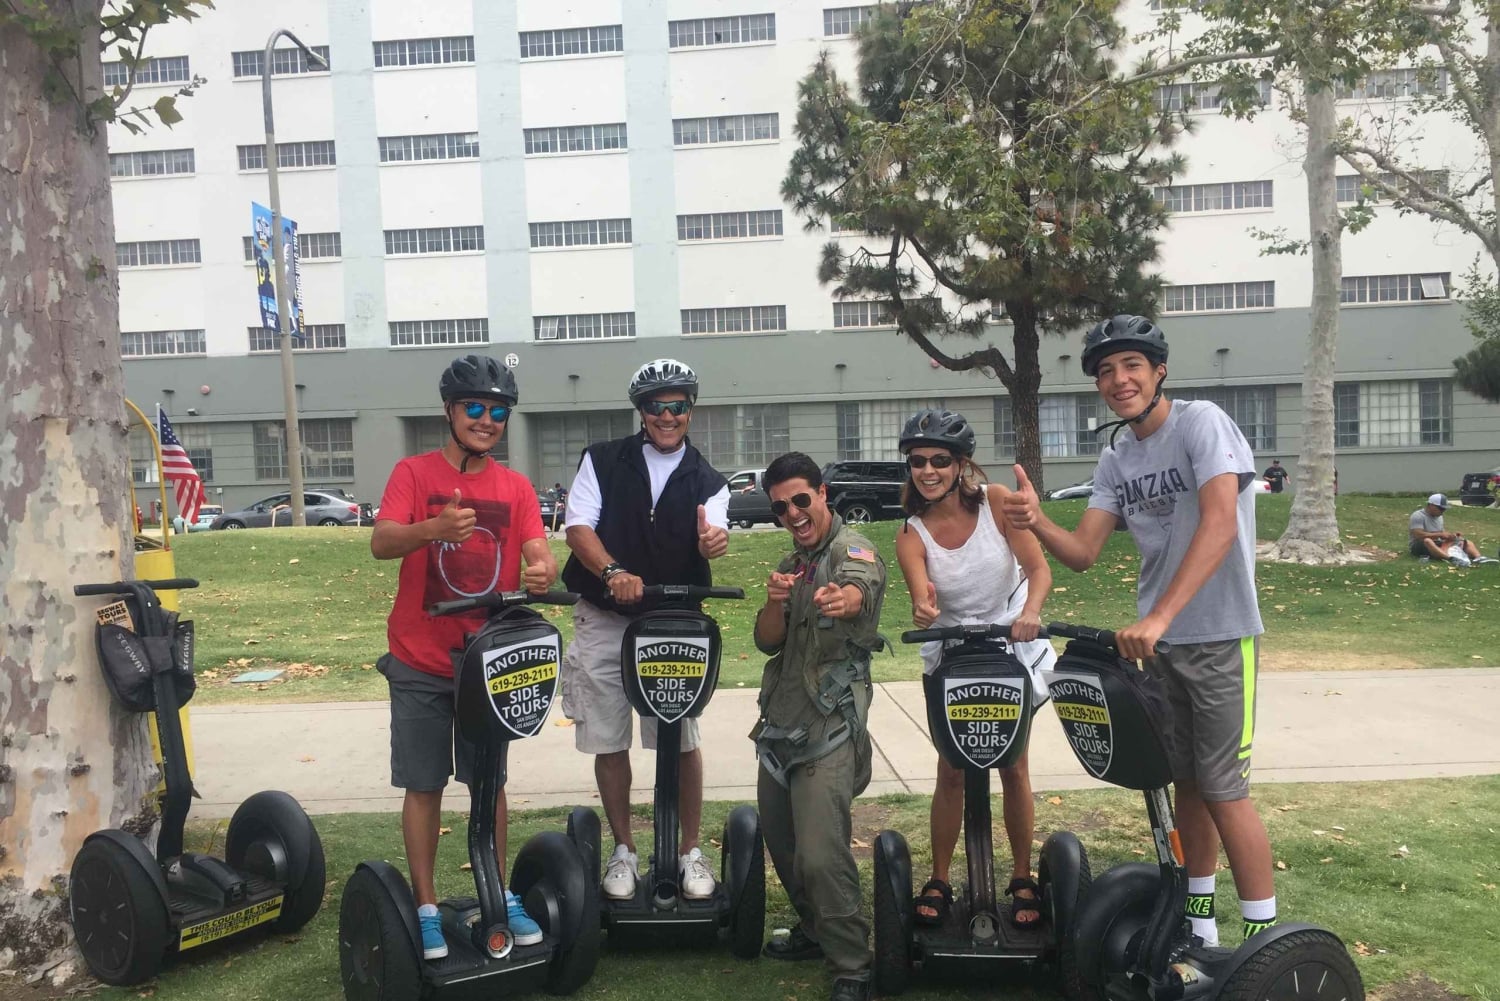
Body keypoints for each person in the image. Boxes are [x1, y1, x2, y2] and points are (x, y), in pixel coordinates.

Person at [1002, 314, 1276, 947]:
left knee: (1224, 787)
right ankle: (1200, 928)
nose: (1118, 379)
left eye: (1130, 365)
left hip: (1219, 634)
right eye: (1105, 371)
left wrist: (1159, 615)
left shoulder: (1201, 423)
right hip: (1159, 646)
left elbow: (1220, 522)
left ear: (1159, 371)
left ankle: (1267, 938)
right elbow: (1082, 552)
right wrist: (1037, 520)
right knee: (1188, 782)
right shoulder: (1118, 456)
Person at [371, 354, 555, 960]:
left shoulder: (516, 487)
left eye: (498, 411)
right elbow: (382, 541)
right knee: (424, 785)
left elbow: (538, 553)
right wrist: (434, 529)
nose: (486, 419)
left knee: (489, 784)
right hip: (421, 659)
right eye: (474, 407)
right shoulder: (414, 473)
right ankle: (426, 908)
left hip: (489, 662)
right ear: (449, 411)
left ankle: (496, 892)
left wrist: (540, 569)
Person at [559, 358, 731, 902]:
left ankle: (688, 851)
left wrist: (711, 545)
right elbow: (578, 527)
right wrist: (612, 572)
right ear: (641, 411)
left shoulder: (709, 480)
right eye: (657, 406)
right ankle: (624, 849)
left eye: (678, 406)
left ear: (690, 412)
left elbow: (714, 532)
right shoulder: (604, 460)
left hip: (674, 622)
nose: (667, 415)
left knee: (679, 739)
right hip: (607, 617)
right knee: (609, 737)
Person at [892, 409, 1056, 930]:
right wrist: (924, 609)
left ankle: (1022, 875)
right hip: (951, 655)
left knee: (1013, 765)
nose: (928, 470)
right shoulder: (911, 533)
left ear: (962, 464)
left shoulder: (998, 503)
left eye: (940, 460)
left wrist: (1030, 613)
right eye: (918, 461)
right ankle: (940, 876)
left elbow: (1038, 568)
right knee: (952, 770)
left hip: (1011, 646)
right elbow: (922, 594)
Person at [752, 452, 888, 1001]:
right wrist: (774, 602)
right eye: (782, 506)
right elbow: (767, 641)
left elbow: (860, 589)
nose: (793, 513)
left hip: (830, 725)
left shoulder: (852, 551)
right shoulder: (793, 561)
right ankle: (817, 932)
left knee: (819, 852)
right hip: (781, 725)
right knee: (783, 844)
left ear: (823, 493)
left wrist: (845, 598)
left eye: (801, 500)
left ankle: (852, 965)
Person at [1409, 493, 1494, 565]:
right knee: (1427, 540)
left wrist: (1451, 536)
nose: (1443, 511)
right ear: (1431, 505)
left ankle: (1478, 558)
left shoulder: (1439, 517)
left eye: (1444, 509)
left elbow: (1441, 533)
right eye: (1441, 508)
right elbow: (1418, 535)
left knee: (1464, 541)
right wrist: (1440, 535)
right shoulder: (1418, 516)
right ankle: (1450, 559)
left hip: (1437, 543)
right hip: (1419, 545)